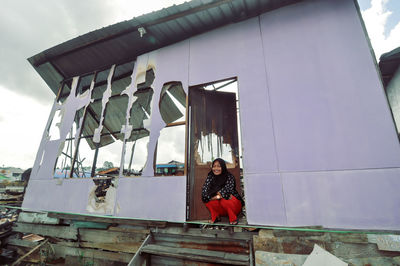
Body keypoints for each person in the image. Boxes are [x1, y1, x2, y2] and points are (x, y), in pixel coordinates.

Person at [201, 158, 243, 225]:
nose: (216, 169)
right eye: (214, 166)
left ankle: (233, 218)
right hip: (221, 207)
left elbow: (227, 192)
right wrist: (217, 196)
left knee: (225, 200)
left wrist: (216, 195)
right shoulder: (210, 177)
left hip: (234, 206)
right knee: (208, 201)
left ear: (223, 167)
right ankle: (216, 217)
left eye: (219, 166)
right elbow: (204, 193)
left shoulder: (229, 176)